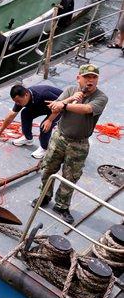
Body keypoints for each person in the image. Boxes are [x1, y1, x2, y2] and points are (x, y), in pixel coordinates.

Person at [32, 63, 109, 224]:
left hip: (79, 143)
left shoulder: (101, 97)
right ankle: (44, 196)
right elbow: (56, 108)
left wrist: (66, 105)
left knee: (70, 176)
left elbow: (87, 109)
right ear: (78, 78)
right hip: (59, 137)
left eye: (94, 77)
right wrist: (68, 100)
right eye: (87, 77)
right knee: (47, 168)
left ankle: (62, 205)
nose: (90, 80)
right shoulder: (69, 91)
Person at [0, 84, 63, 159]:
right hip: (45, 106)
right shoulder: (21, 98)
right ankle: (28, 138)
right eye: (16, 102)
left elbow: (61, 105)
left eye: (18, 101)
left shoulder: (43, 94)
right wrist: (0, 132)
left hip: (61, 108)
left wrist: (49, 120)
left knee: (44, 125)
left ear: (26, 95)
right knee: (25, 113)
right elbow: (11, 115)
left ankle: (44, 149)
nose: (17, 103)